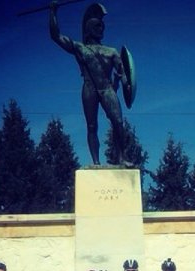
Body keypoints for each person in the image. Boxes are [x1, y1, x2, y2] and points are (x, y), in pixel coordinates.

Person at [49, 1, 131, 166]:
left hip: (107, 89)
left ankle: (122, 157)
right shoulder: (80, 48)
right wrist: (53, 12)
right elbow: (56, 36)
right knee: (92, 126)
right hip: (89, 88)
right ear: (89, 28)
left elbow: (123, 74)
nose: (101, 28)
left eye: (102, 26)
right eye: (97, 25)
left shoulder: (112, 52)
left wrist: (125, 84)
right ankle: (96, 162)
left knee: (118, 122)